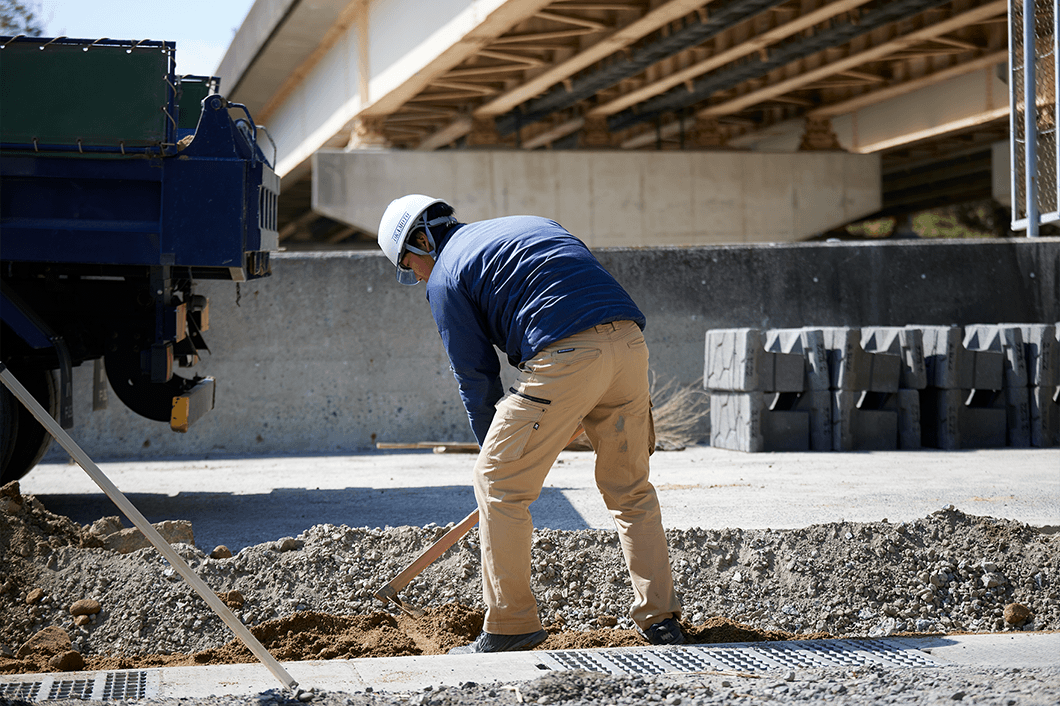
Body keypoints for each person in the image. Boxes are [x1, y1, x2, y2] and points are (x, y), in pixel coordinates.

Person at [377, 194, 684, 654]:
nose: (415, 277)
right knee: (630, 488)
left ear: (422, 240)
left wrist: (500, 459)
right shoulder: (529, 223)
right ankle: (661, 618)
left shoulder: (444, 276)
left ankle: (510, 624)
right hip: (628, 343)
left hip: (564, 353)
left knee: (497, 481)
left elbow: (475, 376)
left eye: (408, 266)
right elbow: (572, 285)